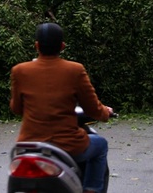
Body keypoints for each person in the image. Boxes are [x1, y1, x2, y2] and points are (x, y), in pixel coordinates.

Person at [10, 22, 113, 193]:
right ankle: (91, 189)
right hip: (67, 145)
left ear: (37, 46)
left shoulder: (19, 70)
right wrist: (105, 113)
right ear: (62, 46)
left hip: (29, 145)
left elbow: (16, 108)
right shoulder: (75, 70)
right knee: (101, 145)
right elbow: (93, 108)